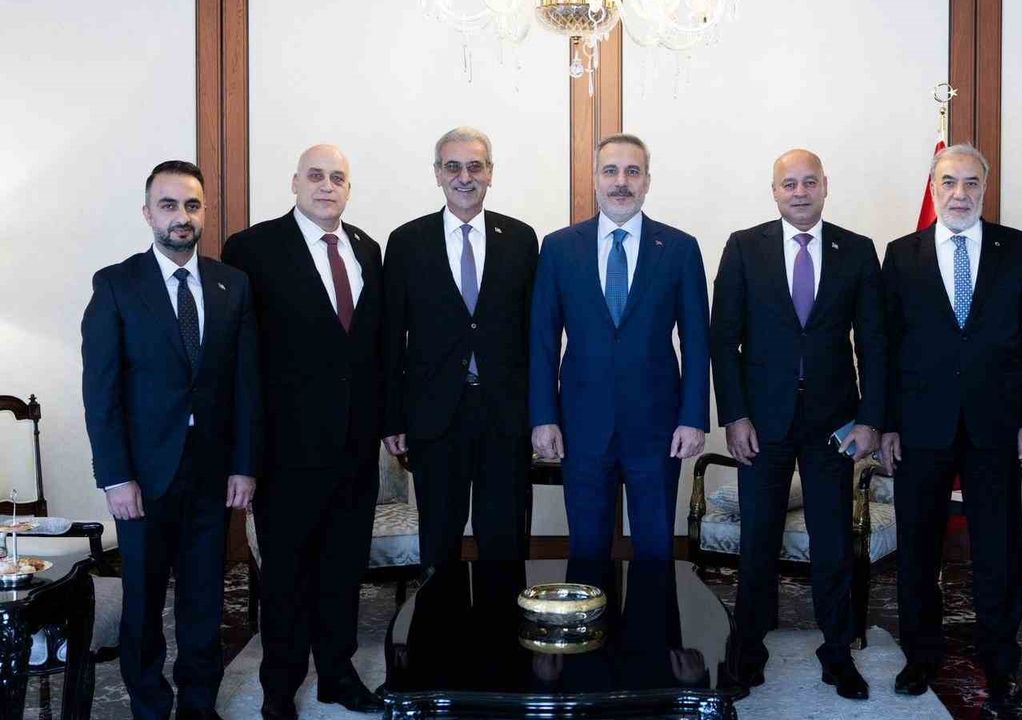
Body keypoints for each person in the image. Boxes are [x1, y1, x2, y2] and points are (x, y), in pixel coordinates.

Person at [82, 160, 260, 720]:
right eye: (168, 205)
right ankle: (150, 706)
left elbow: (246, 385)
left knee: (205, 600)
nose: (181, 216)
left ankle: (199, 705)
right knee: (142, 601)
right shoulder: (116, 284)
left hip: (212, 473)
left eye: (191, 205)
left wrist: (244, 464)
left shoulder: (232, 285)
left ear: (203, 212)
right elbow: (101, 391)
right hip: (141, 478)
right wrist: (115, 477)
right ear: (147, 213)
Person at [880, 143, 1022, 712]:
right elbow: (883, 346)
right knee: (917, 546)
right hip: (919, 425)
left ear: (985, 187)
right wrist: (886, 424)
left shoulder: (1018, 249)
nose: (960, 193)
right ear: (933, 187)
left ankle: (1000, 662)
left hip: (996, 424)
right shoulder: (900, 254)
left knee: (998, 549)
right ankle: (920, 656)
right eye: (949, 182)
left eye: (971, 182)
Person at [708, 149, 884, 700]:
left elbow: (874, 342)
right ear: (774, 191)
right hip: (762, 421)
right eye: (789, 184)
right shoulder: (744, 247)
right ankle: (747, 653)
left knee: (833, 543)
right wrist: (734, 416)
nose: (800, 192)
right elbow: (723, 340)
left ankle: (838, 654)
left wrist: (871, 418)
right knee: (757, 540)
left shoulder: (857, 250)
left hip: (834, 422)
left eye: (810, 182)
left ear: (825, 186)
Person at [221, 145, 383, 719]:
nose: (326, 185)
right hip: (285, 450)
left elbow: (374, 348)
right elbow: (239, 356)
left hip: (356, 445)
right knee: (286, 578)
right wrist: (243, 449)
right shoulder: (252, 248)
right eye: (316, 176)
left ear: (349, 188)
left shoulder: (367, 248)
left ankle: (337, 675)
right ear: (294, 183)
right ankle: (278, 689)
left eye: (338, 177)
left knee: (344, 570)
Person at [529, 133, 710, 560]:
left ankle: (653, 610)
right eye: (610, 171)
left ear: (647, 180)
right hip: (582, 426)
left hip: (658, 427)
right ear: (595, 178)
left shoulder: (680, 249)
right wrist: (543, 417)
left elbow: (697, 340)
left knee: (655, 551)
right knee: (586, 551)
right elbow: (543, 340)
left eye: (632, 171)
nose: (621, 182)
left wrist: (693, 418)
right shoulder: (559, 248)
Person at [381, 127, 539, 565]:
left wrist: (541, 413)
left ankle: (501, 614)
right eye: (453, 167)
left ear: (490, 173)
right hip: (434, 416)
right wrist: (393, 417)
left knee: (504, 538)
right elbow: (391, 338)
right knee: (439, 538)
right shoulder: (406, 242)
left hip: (505, 415)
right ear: (437, 173)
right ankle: (440, 614)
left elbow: (536, 335)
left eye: (474, 166)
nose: (464, 177)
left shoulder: (521, 239)